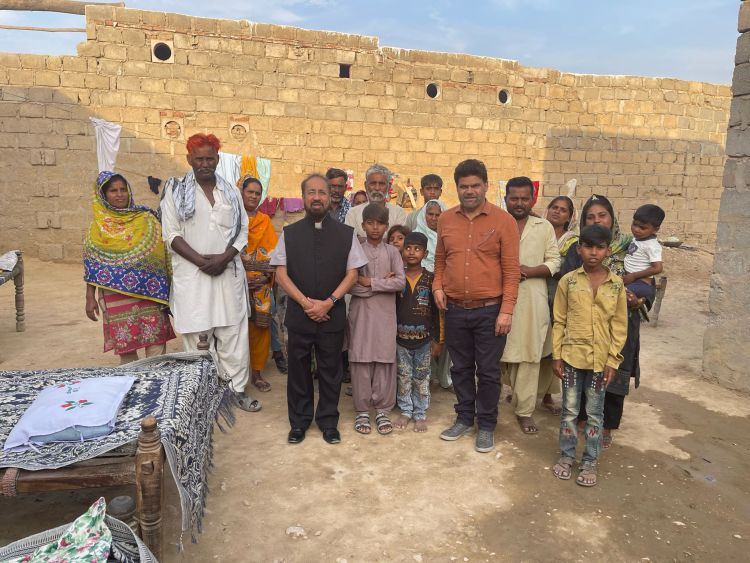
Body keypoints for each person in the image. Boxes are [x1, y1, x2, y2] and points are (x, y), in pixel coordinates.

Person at [161, 133, 260, 412]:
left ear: (217, 159)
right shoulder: (175, 190)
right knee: (197, 338)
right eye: (199, 159)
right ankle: (203, 396)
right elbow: (171, 235)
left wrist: (224, 259)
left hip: (227, 275)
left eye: (210, 158)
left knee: (233, 336)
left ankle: (236, 391)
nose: (205, 164)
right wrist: (202, 262)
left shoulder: (230, 192)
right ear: (189, 159)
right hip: (193, 278)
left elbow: (242, 232)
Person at [271, 173, 367, 445]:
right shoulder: (289, 234)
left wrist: (328, 302)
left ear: (330, 196)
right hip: (299, 316)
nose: (317, 197)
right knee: (298, 371)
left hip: (331, 315)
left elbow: (352, 273)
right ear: (303, 197)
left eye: (322, 192)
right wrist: (306, 304)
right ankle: (299, 422)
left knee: (330, 370)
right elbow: (281, 274)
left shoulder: (346, 234)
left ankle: (328, 421)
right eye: (311, 192)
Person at [433, 159, 520, 453]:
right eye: (464, 186)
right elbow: (441, 259)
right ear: (456, 188)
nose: (469, 191)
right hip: (455, 309)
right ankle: (464, 418)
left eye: (475, 186)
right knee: (460, 368)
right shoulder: (446, 220)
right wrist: (437, 286)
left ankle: (486, 425)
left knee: (488, 372)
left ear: (485, 186)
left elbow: (511, 270)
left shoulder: (503, 221)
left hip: (490, 310)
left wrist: (506, 310)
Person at [551, 224, 628, 487]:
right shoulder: (568, 281)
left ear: (608, 250)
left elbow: (619, 325)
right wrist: (557, 355)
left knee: (595, 413)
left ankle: (590, 461)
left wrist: (613, 360)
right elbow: (559, 320)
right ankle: (566, 456)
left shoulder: (616, 285)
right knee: (570, 411)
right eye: (588, 247)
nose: (593, 253)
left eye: (599, 247)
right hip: (572, 357)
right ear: (579, 249)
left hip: (600, 361)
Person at [560, 194, 636, 448]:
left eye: (602, 215)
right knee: (578, 379)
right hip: (580, 330)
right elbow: (566, 290)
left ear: (612, 218)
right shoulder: (575, 253)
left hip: (618, 321)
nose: (597, 220)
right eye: (590, 217)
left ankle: (607, 425)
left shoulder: (629, 246)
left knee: (613, 372)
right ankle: (580, 424)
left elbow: (647, 279)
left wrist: (636, 295)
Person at [84, 171, 176, 363]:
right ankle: (132, 381)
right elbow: (93, 264)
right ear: (103, 195)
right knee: (126, 348)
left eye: (123, 189)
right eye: (113, 191)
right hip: (115, 294)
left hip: (150, 293)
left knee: (156, 348)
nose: (119, 194)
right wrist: (89, 296)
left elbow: (163, 250)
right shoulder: (98, 227)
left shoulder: (146, 218)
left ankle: (157, 381)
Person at [500, 177, 560, 435]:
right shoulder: (496, 222)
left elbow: (555, 261)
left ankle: (525, 411)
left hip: (532, 300)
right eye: (514, 198)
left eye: (525, 198)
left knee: (529, 355)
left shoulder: (543, 227)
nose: (519, 203)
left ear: (533, 200)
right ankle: (500, 399)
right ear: (506, 199)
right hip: (499, 299)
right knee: (498, 354)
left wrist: (530, 271)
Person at [348, 203, 405, 436]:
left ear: (386, 226)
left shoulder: (392, 252)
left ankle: (382, 410)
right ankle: (362, 410)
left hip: (385, 316)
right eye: (370, 223)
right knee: (360, 360)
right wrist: (383, 284)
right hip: (361, 314)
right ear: (362, 225)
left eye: (380, 223)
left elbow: (400, 282)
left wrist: (370, 282)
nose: (375, 227)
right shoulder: (355, 250)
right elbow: (350, 285)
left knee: (384, 360)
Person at [395, 232, 442, 433]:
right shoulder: (397, 278)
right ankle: (406, 410)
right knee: (403, 375)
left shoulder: (432, 279)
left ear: (425, 253)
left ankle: (420, 413)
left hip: (424, 340)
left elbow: (438, 313)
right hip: (400, 340)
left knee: (422, 376)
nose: (412, 252)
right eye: (408, 248)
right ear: (402, 251)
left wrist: (438, 340)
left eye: (417, 249)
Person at [538, 195, 578, 414]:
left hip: (556, 298)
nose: (557, 212)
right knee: (532, 344)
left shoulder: (572, 242)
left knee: (551, 347)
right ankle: (524, 390)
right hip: (535, 293)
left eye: (563, 210)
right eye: (554, 207)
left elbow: (568, 271)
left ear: (569, 216)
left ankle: (547, 394)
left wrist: (545, 267)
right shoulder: (538, 231)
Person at [239, 175, 278, 393]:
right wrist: (242, 279)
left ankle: (257, 373)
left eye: (257, 193)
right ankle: (237, 374)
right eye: (250, 192)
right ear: (241, 193)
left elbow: (274, 252)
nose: (254, 196)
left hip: (261, 285)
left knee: (260, 330)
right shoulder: (233, 218)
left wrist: (264, 277)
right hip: (236, 284)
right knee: (236, 329)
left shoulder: (265, 221)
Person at [345, 164, 408, 237]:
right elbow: (350, 240)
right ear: (366, 185)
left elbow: (399, 240)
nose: (377, 188)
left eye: (381, 184)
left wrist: (361, 239)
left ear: (389, 186)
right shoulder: (353, 213)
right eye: (373, 184)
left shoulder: (398, 213)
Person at [623, 204, 665, 301]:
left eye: (642, 228)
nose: (636, 229)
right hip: (631, 280)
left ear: (655, 229)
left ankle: (637, 305)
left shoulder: (652, 245)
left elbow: (657, 268)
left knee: (619, 294)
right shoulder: (637, 238)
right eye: (634, 224)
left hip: (642, 284)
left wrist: (633, 276)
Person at [414, 199, 447, 273]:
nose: (433, 218)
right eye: (430, 214)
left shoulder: (447, 237)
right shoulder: (415, 236)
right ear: (424, 215)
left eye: (438, 215)